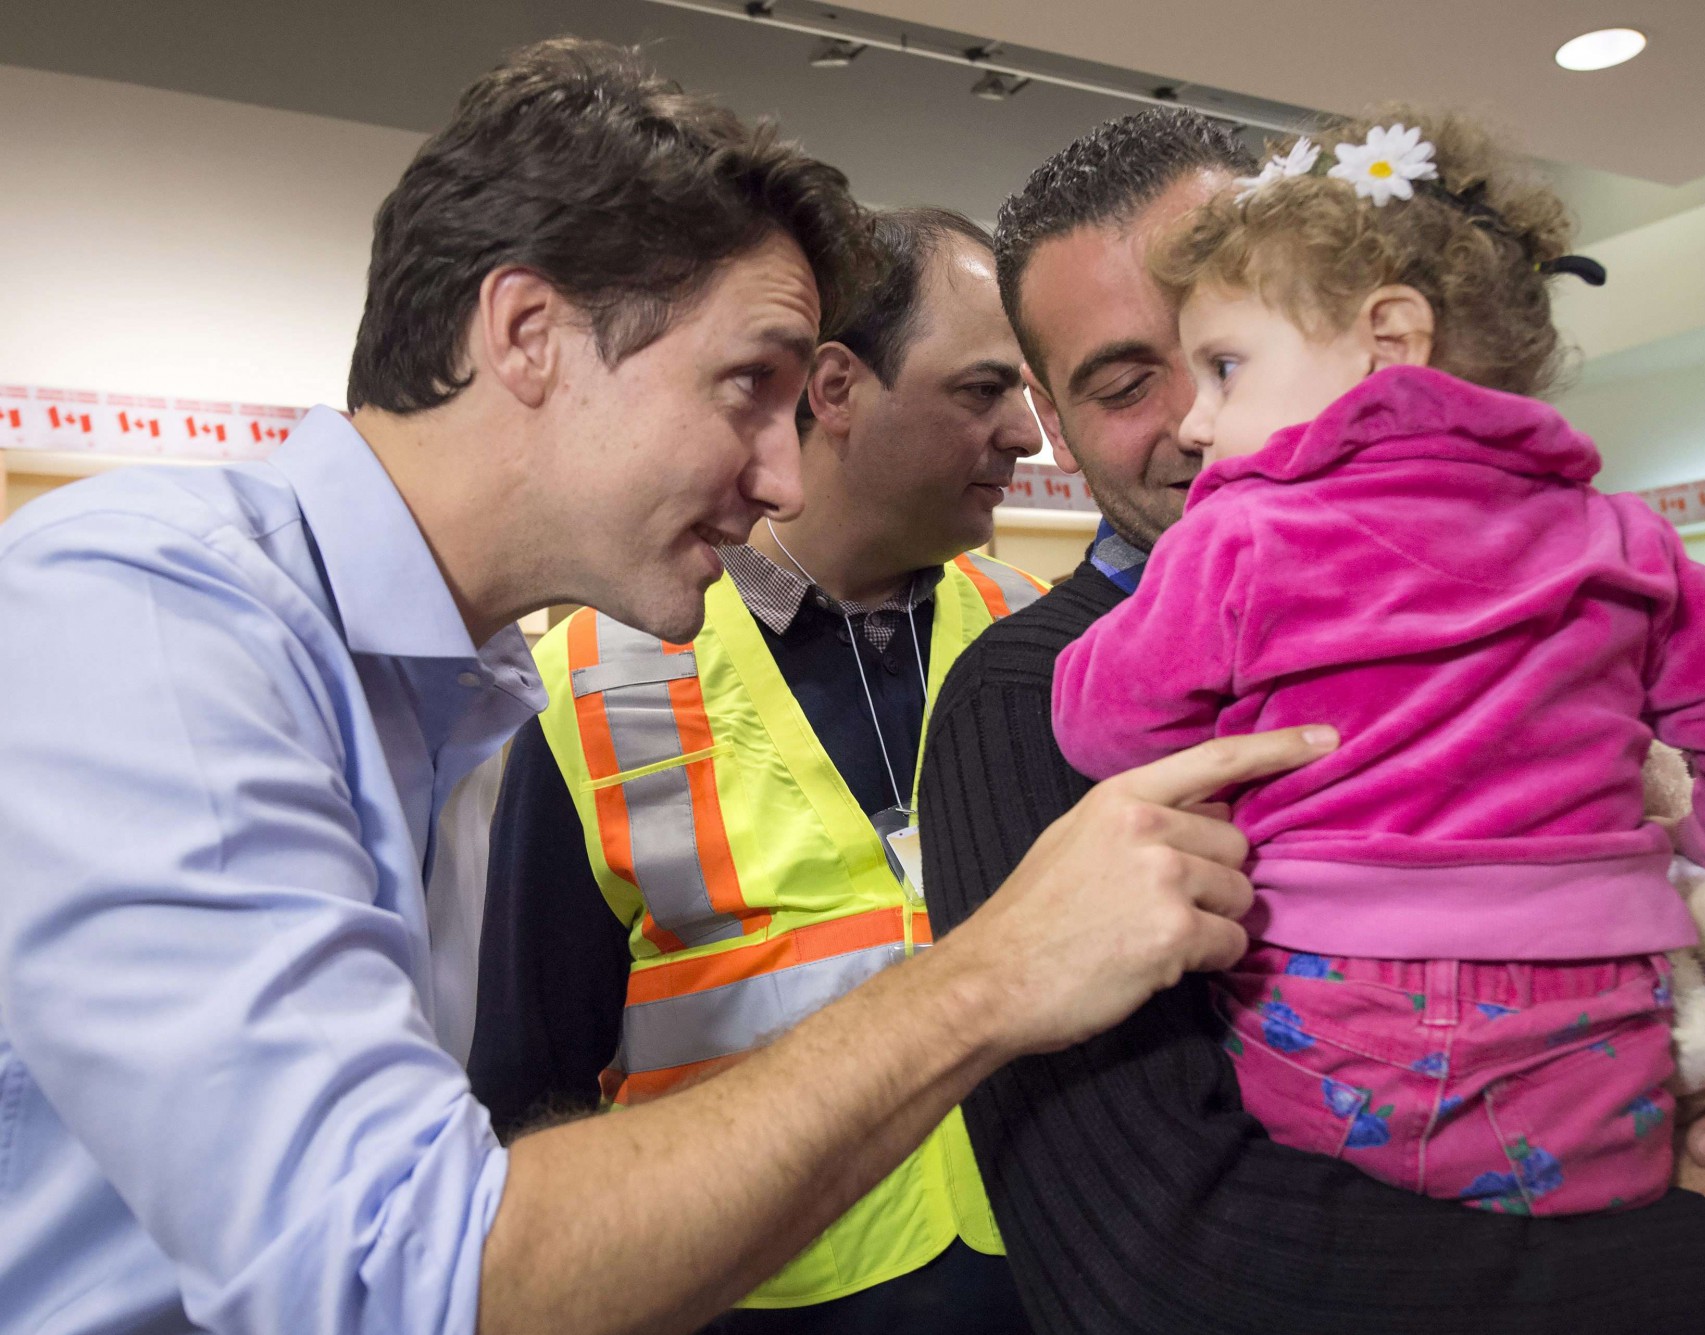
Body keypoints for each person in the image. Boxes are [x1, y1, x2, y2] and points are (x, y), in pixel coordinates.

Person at [0, 44, 1332, 1335]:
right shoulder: (149, 611)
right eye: (747, 385)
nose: (787, 477)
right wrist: (990, 974)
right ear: (527, 333)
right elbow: (403, 1278)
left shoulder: (450, 691)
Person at [918, 106, 1705, 1333]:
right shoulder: (1015, 698)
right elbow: (1149, 1265)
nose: (1201, 425)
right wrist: (1690, 1258)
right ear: (1052, 412)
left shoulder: (1590, 585)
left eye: (1222, 352)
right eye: (1127, 378)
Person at [469, 206, 1047, 1331]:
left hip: (1041, 1283)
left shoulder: (1040, 650)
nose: (1029, 434)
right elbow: (528, 1098)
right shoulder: (593, 685)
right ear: (833, 390)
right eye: (982, 391)